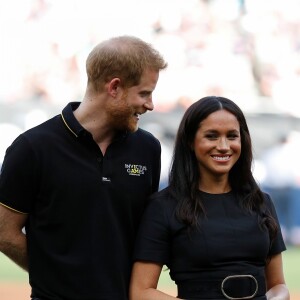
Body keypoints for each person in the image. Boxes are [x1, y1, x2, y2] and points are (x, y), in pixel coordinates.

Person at [0, 35, 167, 300]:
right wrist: (55, 276)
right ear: (114, 87)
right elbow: (4, 231)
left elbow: (146, 234)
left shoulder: (148, 149)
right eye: (144, 93)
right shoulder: (33, 147)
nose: (150, 105)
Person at [130, 96, 290, 300]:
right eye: (212, 136)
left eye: (232, 136)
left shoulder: (262, 202)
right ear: (190, 141)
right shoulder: (163, 207)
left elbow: (279, 286)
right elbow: (140, 292)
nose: (223, 146)